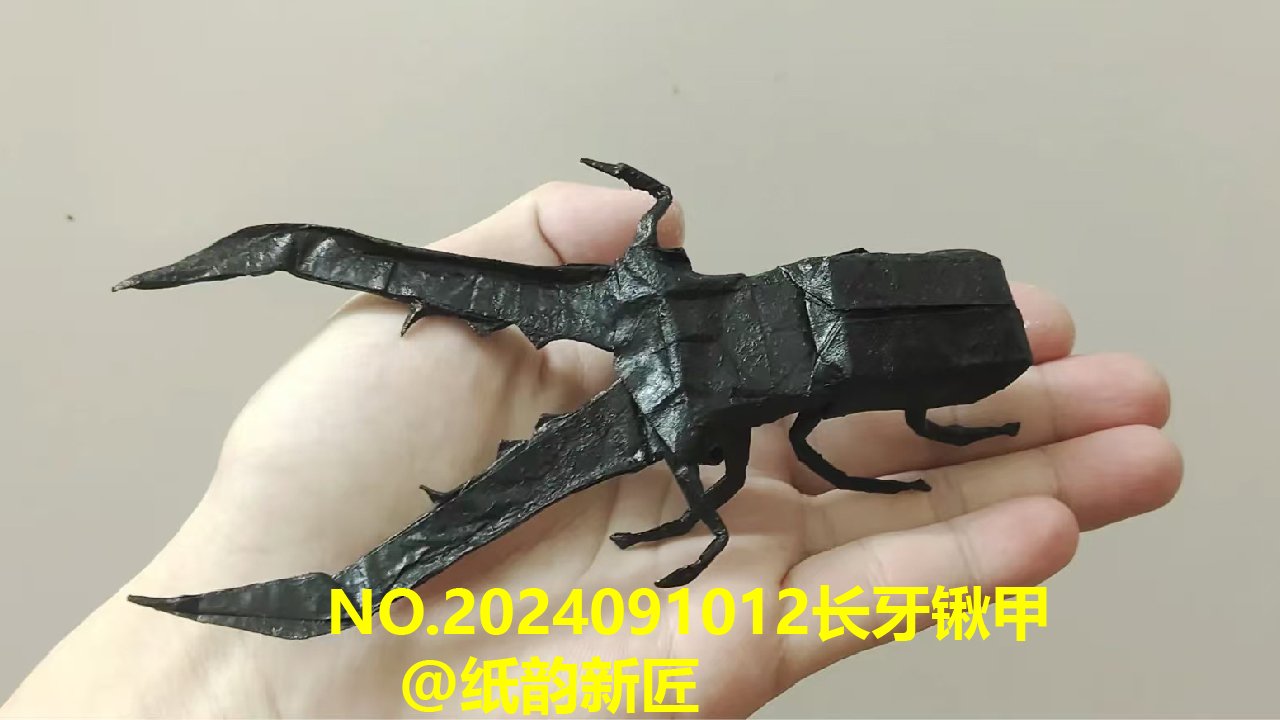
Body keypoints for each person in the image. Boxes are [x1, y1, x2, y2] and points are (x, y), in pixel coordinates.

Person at [1, 181, 1180, 718]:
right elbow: (827, 457)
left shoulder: (700, 325)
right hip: (816, 334)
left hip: (855, 334)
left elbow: (827, 455)